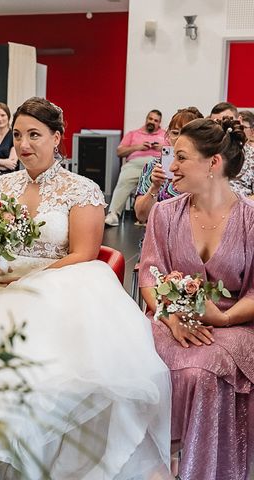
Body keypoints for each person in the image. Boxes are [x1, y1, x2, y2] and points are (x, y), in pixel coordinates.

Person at [0, 97, 171, 479]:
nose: (23, 144)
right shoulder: (1, 185)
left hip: (58, 284)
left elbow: (83, 253)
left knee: (30, 371)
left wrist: (27, 277)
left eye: (34, 134)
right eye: (17, 135)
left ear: (57, 139)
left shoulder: (80, 189)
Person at [139, 117, 254, 480]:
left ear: (213, 163)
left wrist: (221, 319)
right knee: (143, 363)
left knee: (201, 371)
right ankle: (154, 466)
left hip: (233, 322)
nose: (171, 166)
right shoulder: (164, 212)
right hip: (169, 320)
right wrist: (170, 318)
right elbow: (148, 276)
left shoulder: (251, 219)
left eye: (182, 157)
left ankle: (201, 469)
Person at [134, 107, 203, 223]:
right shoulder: (153, 167)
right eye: (175, 133)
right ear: (168, 134)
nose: (179, 139)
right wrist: (154, 187)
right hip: (157, 237)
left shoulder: (205, 167)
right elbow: (141, 216)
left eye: (187, 134)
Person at [105, 109, 166, 226]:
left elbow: (175, 151)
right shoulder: (133, 134)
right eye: (150, 118)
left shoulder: (164, 135)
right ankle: (113, 215)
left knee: (160, 180)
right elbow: (119, 151)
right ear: (146, 119)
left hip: (156, 163)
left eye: (156, 120)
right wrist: (137, 147)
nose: (152, 122)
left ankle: (152, 219)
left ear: (159, 123)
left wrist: (162, 148)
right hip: (134, 164)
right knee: (124, 179)